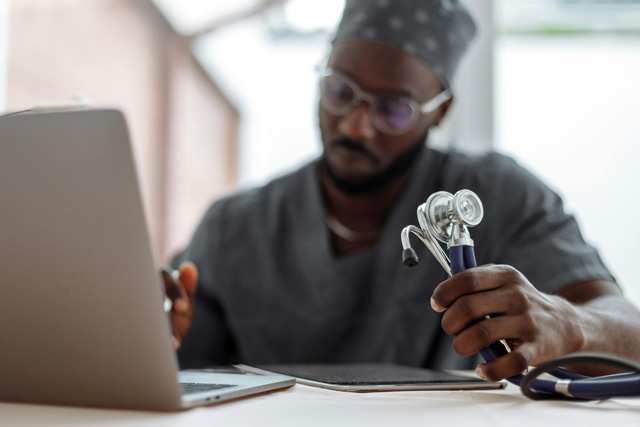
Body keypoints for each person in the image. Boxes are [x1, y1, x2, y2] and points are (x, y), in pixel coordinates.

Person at [166, 0, 640, 382]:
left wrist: (571, 325)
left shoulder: (500, 197)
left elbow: (630, 332)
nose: (355, 126)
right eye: (339, 91)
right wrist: (153, 335)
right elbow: (182, 371)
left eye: (393, 109)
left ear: (441, 111)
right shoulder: (233, 228)